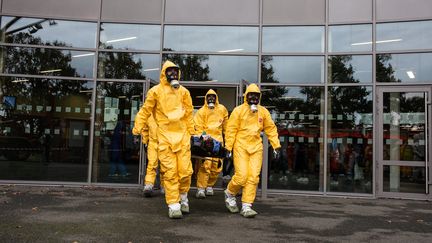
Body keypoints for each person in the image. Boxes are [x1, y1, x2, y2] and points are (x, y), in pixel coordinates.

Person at [135, 60, 195, 219]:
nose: (173, 74)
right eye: (170, 71)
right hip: (165, 138)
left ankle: (183, 197)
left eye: (175, 71)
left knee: (185, 172)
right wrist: (138, 126)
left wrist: (193, 132)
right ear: (164, 73)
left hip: (182, 137)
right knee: (170, 172)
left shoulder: (184, 92)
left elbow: (189, 114)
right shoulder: (155, 91)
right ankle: (174, 204)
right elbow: (145, 110)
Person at [223, 83, 281, 218]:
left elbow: (271, 129)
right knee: (242, 176)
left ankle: (246, 205)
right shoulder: (238, 111)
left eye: (256, 95)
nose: (254, 97)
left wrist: (276, 145)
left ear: (259, 97)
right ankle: (230, 193)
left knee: (253, 177)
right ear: (246, 96)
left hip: (256, 147)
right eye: (251, 95)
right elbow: (231, 130)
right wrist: (228, 147)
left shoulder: (263, 112)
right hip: (241, 146)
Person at [194, 89, 228, 199]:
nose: (211, 99)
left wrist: (228, 142)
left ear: (216, 98)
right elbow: (198, 127)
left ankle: (209, 185)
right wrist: (203, 136)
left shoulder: (222, 109)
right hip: (206, 142)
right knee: (205, 165)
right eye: (209, 97)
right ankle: (201, 188)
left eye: (213, 97)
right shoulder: (201, 111)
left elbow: (226, 127)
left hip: (218, 142)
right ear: (206, 98)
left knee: (216, 166)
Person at [133, 112, 164, 197]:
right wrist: (145, 141)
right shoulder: (150, 114)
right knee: (152, 164)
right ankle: (149, 185)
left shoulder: (166, 111)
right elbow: (145, 129)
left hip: (165, 143)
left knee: (165, 166)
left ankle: (165, 186)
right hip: (153, 143)